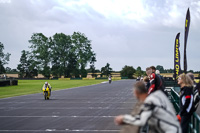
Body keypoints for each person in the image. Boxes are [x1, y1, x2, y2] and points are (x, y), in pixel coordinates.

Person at [115, 81, 181, 133]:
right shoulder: (157, 95)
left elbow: (141, 121)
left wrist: (123, 118)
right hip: (174, 128)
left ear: (136, 92)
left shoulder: (149, 102)